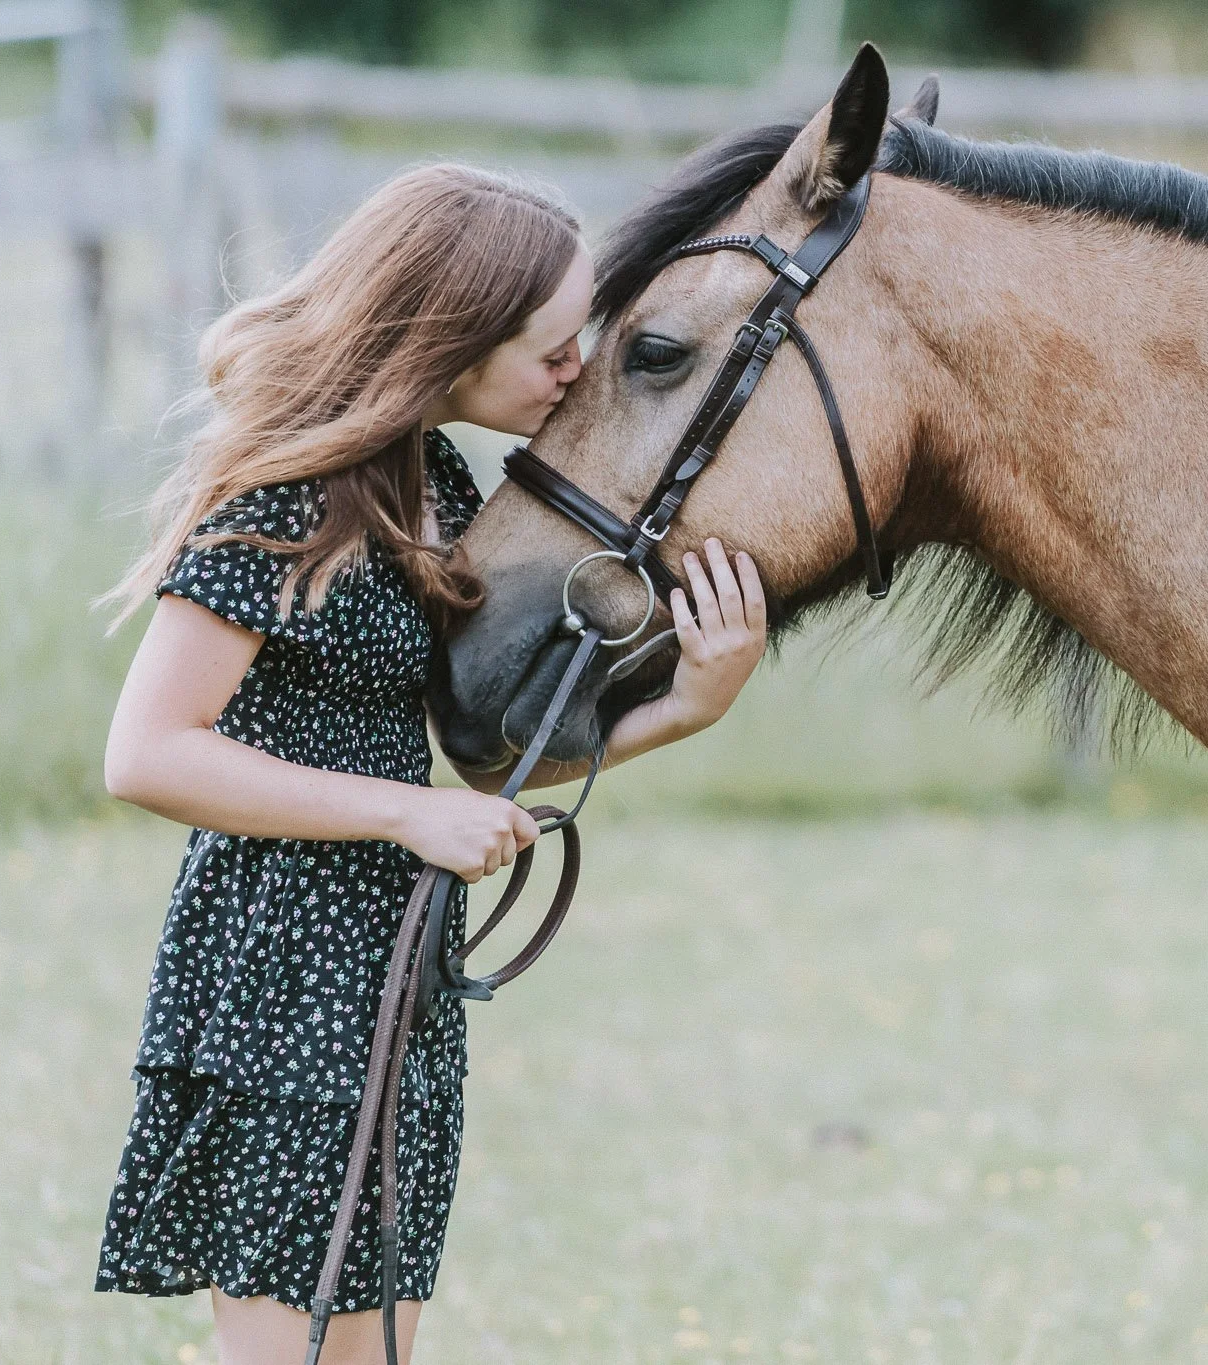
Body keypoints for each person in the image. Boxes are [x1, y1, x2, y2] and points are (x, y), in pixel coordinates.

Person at [92, 163, 766, 1365]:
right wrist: (402, 817)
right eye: (553, 351)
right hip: (276, 970)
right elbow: (146, 754)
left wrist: (684, 706)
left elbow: (477, 777)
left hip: (392, 967)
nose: (577, 375)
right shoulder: (289, 491)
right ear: (451, 339)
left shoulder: (437, 485)